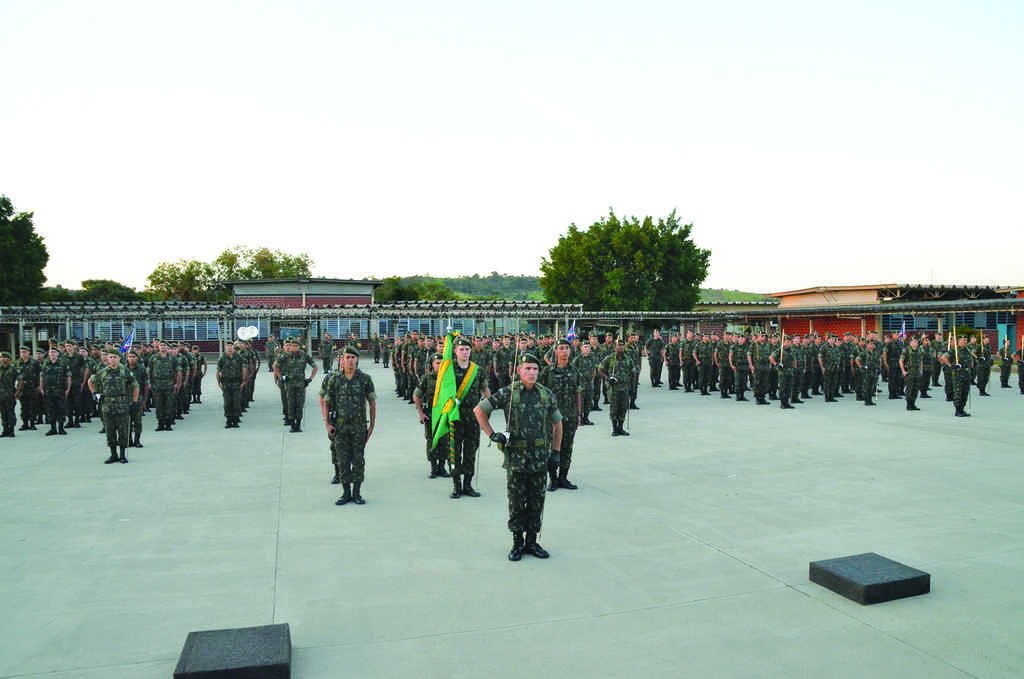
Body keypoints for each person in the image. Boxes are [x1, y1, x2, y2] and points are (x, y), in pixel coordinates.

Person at [474, 354, 562, 562]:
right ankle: (517, 542)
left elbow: (558, 424)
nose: (532, 373)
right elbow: (479, 410)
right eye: (527, 369)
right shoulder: (509, 393)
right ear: (519, 371)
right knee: (516, 502)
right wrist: (491, 434)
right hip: (516, 458)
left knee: (536, 501)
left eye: (535, 369)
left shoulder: (546, 394)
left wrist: (556, 453)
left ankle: (532, 541)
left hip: (540, 458)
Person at [322, 347, 376, 506]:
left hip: (359, 427)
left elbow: (372, 403)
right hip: (340, 428)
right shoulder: (335, 379)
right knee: (342, 460)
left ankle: (357, 493)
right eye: (347, 357)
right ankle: (346, 493)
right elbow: (327, 402)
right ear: (342, 359)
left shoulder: (365, 379)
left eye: (353, 357)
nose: (350, 360)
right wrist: (326, 424)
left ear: (357, 359)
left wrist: (371, 426)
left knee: (358, 460)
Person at [445, 337, 490, 499]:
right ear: (455, 351)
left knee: (471, 451)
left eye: (467, 349)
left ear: (471, 351)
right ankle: (456, 485)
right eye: (461, 349)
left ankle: (468, 485)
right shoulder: (449, 369)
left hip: (473, 418)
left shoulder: (477, 370)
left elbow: (486, 391)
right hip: (455, 418)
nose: (464, 352)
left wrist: (486, 411)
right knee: (454, 452)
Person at [540, 338, 581, 491]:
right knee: (552, 447)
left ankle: (563, 477)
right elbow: (540, 393)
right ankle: (553, 479)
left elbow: (578, 393)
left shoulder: (575, 371)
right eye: (561, 348)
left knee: (567, 448)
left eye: (566, 348)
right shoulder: (547, 372)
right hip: (552, 418)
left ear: (570, 351)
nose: (564, 351)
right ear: (555, 351)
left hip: (569, 416)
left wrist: (579, 414)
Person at [89, 349, 139, 464]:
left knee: (123, 430)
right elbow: (91, 381)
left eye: (114, 357)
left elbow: (135, 386)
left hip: (122, 405)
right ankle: (113, 454)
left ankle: (122, 454)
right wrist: (94, 393)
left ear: (119, 359)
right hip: (107, 406)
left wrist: (134, 402)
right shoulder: (103, 372)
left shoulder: (125, 372)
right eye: (110, 357)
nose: (112, 359)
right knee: (110, 431)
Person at [413, 353, 449, 479]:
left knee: (445, 441)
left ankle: (442, 467)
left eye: (441, 362)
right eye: (437, 363)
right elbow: (416, 395)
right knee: (432, 441)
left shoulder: (448, 378)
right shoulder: (426, 378)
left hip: (445, 415)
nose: (439, 365)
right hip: (430, 415)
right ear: (432, 365)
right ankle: (434, 468)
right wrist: (421, 413)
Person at [275, 339, 318, 432]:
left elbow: (315, 366)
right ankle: (292, 425)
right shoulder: (285, 356)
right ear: (290, 347)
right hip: (289, 384)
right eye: (292, 345)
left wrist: (310, 378)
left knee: (299, 404)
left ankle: (298, 425)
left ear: (299, 346)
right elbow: (275, 366)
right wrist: (280, 378)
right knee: (290, 404)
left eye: (296, 346)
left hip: (301, 384)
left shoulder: (304, 355)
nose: (294, 347)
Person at [598, 339, 636, 436]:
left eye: (623, 345)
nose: (621, 347)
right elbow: (600, 368)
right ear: (615, 347)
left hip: (624, 387)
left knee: (623, 408)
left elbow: (633, 372)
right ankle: (614, 428)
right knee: (614, 408)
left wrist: (632, 387)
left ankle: (621, 427)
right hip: (614, 388)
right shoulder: (611, 358)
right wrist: (607, 378)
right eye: (619, 345)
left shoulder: (627, 359)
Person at [149, 340, 181, 431]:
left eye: (164, 345)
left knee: (169, 404)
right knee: (159, 404)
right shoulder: (154, 358)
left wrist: (177, 384)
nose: (162, 347)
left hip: (169, 384)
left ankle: (168, 424)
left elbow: (178, 371)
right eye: (161, 345)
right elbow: (149, 371)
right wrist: (150, 383)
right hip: (157, 385)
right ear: (158, 347)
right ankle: (160, 423)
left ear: (167, 347)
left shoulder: (172, 358)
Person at [940, 335, 975, 417]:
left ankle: (962, 409)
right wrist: (951, 366)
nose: (965, 342)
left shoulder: (967, 350)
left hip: (966, 374)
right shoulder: (955, 350)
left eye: (966, 340)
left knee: (965, 393)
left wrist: (971, 365)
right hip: (958, 375)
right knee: (958, 393)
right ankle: (957, 410)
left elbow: (971, 360)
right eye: (963, 340)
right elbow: (943, 357)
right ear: (959, 341)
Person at [39, 347, 70, 436]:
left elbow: (68, 376)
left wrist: (68, 389)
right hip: (48, 391)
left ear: (58, 354)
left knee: (61, 409)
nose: (52, 353)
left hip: (60, 390)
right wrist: (41, 388)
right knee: (50, 410)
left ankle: (61, 428)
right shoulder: (45, 364)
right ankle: (53, 429)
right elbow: (42, 377)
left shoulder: (63, 363)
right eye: (50, 352)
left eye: (54, 352)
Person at [217, 342, 248, 428]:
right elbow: (218, 370)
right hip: (226, 383)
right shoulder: (222, 358)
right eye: (228, 346)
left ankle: (235, 420)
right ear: (225, 347)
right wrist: (218, 382)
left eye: (231, 346)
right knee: (227, 403)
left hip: (236, 383)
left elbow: (243, 369)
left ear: (233, 347)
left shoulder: (238, 357)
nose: (229, 347)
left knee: (236, 402)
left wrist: (243, 381)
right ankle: (228, 420)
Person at [125, 350, 149, 447]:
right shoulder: (123, 368)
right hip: (125, 399)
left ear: (137, 358)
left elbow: (146, 385)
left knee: (137, 421)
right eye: (129, 357)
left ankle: (137, 440)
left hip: (137, 398)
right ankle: (129, 440)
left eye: (133, 357)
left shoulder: (141, 369)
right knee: (127, 421)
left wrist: (144, 400)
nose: (131, 359)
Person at [900, 335, 925, 411]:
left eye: (917, 341)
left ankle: (913, 404)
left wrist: (921, 370)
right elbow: (901, 361)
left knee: (916, 389)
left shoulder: (919, 350)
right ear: (910, 342)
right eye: (914, 341)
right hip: (909, 372)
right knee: (910, 389)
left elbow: (921, 361)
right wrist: (903, 371)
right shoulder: (906, 350)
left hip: (917, 372)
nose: (916, 343)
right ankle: (909, 405)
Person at [0, 351, 21, 438]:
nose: (2, 359)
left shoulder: (13, 369)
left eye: (4, 357)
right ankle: (5, 430)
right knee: (3, 413)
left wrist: (18, 392)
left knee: (10, 412)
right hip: (1, 395)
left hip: (10, 394)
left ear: (8, 359)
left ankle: (11, 430)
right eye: (1, 357)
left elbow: (20, 380)